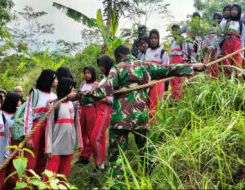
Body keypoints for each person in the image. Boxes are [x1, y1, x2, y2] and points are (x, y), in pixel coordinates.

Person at [68, 45, 205, 189]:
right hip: (140, 117)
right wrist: (193, 67)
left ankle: (117, 185)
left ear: (119, 56)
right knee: (146, 150)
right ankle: (152, 181)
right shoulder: (146, 66)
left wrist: (78, 96)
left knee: (117, 157)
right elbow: (169, 68)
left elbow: (103, 90)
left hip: (121, 119)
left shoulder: (118, 68)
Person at [44, 77, 82, 181]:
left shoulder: (73, 105)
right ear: (66, 89)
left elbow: (77, 125)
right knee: (49, 178)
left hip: (68, 147)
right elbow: (48, 128)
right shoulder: (55, 105)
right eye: (72, 89)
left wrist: (80, 143)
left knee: (63, 177)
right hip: (55, 149)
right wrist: (48, 148)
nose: (74, 91)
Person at [23, 69, 57, 175]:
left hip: (48, 129)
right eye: (54, 78)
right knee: (31, 159)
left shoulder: (54, 96)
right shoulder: (35, 93)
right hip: (35, 127)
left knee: (43, 158)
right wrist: (28, 136)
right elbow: (28, 114)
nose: (56, 81)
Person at [90, 55, 114, 177]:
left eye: (102, 65)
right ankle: (102, 165)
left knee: (95, 137)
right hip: (98, 110)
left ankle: (100, 165)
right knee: (100, 137)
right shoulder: (104, 79)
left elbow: (114, 98)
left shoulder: (112, 78)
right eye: (99, 65)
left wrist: (101, 97)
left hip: (105, 111)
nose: (100, 68)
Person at [144, 29, 169, 122]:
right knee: (145, 105)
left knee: (154, 106)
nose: (153, 40)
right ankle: (145, 127)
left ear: (158, 39)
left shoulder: (163, 52)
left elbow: (166, 69)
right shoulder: (146, 52)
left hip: (158, 82)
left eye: (155, 38)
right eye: (151, 38)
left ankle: (153, 130)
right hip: (146, 82)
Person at [75, 66, 98, 166]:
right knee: (82, 132)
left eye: (89, 73)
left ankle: (86, 155)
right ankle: (83, 154)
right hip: (82, 109)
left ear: (93, 73)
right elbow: (79, 96)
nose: (87, 75)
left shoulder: (96, 85)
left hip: (91, 109)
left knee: (90, 132)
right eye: (85, 73)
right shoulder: (83, 84)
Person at [220, 3, 244, 78]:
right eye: (232, 9)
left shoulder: (241, 25)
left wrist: (242, 54)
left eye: (236, 10)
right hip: (226, 45)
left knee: (237, 66)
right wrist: (218, 51)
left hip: (237, 46)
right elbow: (220, 37)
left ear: (239, 11)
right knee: (226, 65)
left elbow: (242, 39)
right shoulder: (225, 23)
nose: (233, 11)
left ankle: (235, 85)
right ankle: (227, 84)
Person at [170, 24, 189, 99]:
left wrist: (184, 60)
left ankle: (179, 97)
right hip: (173, 60)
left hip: (179, 59)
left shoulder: (182, 39)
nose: (175, 32)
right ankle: (174, 95)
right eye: (173, 30)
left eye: (176, 30)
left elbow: (185, 50)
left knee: (179, 79)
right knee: (172, 79)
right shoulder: (172, 41)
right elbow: (170, 54)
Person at [0, 92, 9, 190]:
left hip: (0, 158)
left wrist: (6, 155)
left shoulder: (3, 118)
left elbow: (8, 138)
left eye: (0, 102)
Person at [203, 12, 223, 78]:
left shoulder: (221, 29)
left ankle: (215, 81)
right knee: (207, 65)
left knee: (215, 66)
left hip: (217, 50)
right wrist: (205, 47)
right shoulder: (210, 30)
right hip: (209, 50)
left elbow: (220, 39)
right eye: (214, 18)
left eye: (218, 18)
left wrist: (213, 46)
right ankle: (209, 80)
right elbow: (206, 39)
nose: (216, 20)